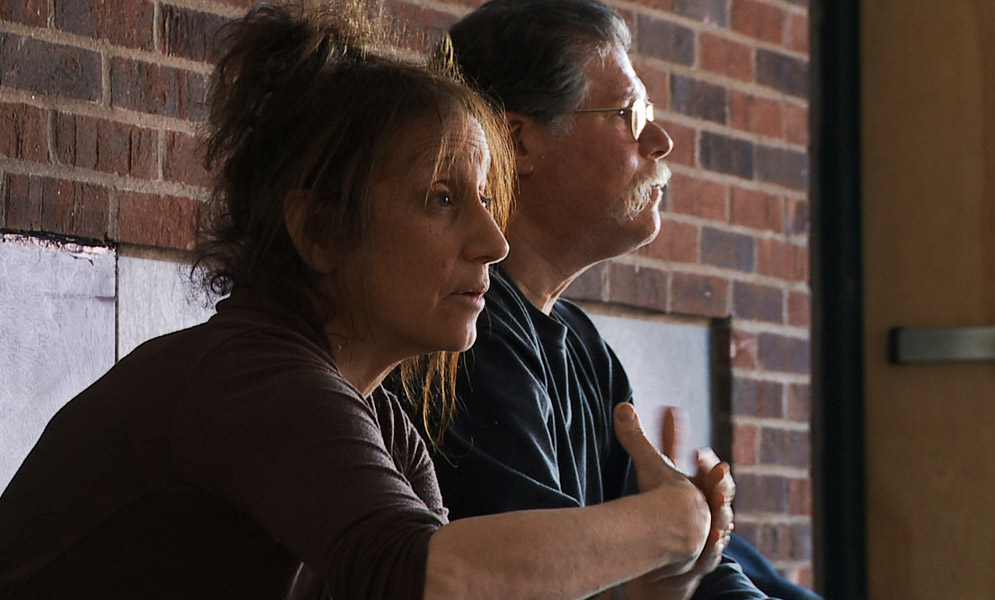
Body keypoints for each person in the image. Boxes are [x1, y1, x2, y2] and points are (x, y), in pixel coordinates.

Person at [0, 2, 732, 599]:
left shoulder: (376, 415)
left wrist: (652, 592)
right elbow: (431, 578)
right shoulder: (255, 380)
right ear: (320, 231)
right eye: (442, 199)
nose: (491, 241)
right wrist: (669, 523)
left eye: (486, 200)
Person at [418, 1, 823, 599]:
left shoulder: (584, 345)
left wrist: (691, 537)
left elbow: (676, 572)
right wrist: (676, 526)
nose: (661, 140)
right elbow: (551, 579)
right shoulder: (464, 333)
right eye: (631, 115)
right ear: (515, 143)